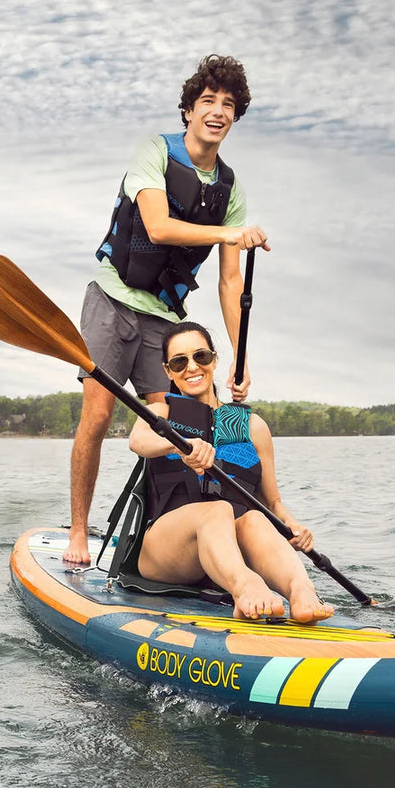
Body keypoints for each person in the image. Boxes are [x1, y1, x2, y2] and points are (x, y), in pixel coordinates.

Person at [64, 54, 269, 566]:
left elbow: (228, 281)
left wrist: (241, 361)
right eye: (208, 102)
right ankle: (77, 533)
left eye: (228, 105)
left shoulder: (230, 190)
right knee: (98, 414)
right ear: (188, 111)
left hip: (165, 319)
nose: (217, 112)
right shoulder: (155, 151)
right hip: (112, 301)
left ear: (235, 117)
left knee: (183, 424)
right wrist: (228, 233)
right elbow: (156, 226)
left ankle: (177, 538)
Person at [128, 321, 334, 624]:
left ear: (214, 360)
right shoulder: (161, 414)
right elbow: (138, 441)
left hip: (229, 549)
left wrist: (294, 527)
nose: (191, 367)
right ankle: (246, 586)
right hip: (167, 551)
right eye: (179, 361)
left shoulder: (253, 427)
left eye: (200, 357)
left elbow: (272, 502)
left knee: (254, 518)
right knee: (216, 510)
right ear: (168, 370)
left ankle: (300, 589)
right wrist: (179, 446)